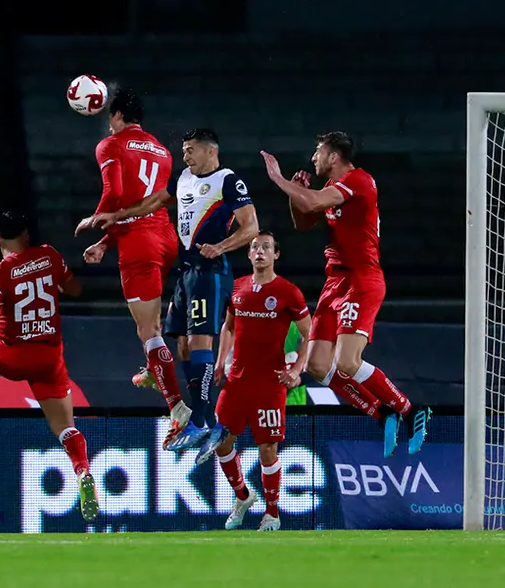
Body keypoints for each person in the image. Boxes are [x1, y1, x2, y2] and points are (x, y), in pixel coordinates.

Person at [260, 132, 432, 457]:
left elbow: (312, 202)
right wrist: (296, 193)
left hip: (360, 279)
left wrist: (278, 179)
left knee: (347, 361)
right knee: (316, 364)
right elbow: (303, 221)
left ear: (334, 155)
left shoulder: (358, 180)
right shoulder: (329, 188)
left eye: (318, 151)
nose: (313, 158)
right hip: (334, 283)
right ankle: (381, 412)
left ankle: (410, 409)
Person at [0, 211, 98, 522]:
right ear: (27, 235)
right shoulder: (49, 255)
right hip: (49, 357)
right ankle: (82, 470)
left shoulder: (0, 271)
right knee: (66, 427)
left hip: (13, 356)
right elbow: (75, 289)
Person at [102, 128, 259, 452]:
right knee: (183, 345)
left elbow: (251, 227)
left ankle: (200, 421)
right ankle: (209, 422)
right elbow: (154, 202)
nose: (185, 156)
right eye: (184, 150)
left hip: (211, 271)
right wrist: (119, 215)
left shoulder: (228, 181)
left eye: (190, 150)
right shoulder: (184, 178)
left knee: (200, 341)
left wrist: (221, 247)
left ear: (210, 151)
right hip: (186, 272)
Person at [74, 88, 191, 448]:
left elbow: (115, 195)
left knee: (148, 330)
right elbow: (145, 203)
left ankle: (177, 408)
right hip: (166, 237)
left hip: (140, 245)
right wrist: (105, 242)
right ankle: (155, 369)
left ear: (117, 115)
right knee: (151, 323)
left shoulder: (110, 145)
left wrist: (96, 219)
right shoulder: (162, 150)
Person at [208, 231, 311, 531]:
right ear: (249, 254)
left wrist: (297, 369)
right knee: (220, 442)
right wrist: (220, 362)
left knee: (267, 449)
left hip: (270, 383)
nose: (260, 252)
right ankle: (243, 496)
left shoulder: (288, 292)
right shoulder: (237, 287)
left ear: (276, 255)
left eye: (266, 247)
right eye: (255, 247)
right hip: (237, 381)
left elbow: (310, 332)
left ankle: (272, 513)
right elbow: (228, 327)